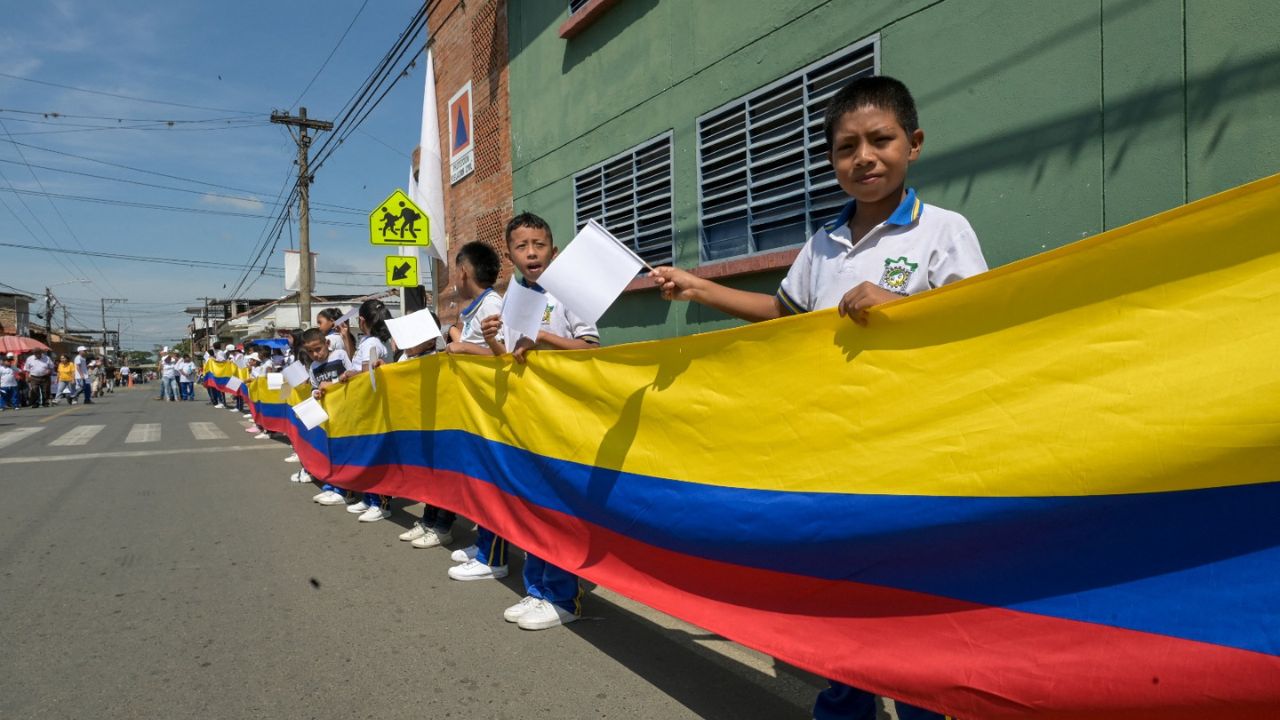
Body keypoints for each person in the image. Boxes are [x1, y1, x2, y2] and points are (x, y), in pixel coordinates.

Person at [650, 75, 985, 720]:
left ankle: (920, 706)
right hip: (833, 451)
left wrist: (906, 306)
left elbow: (976, 319)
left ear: (912, 144)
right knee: (843, 593)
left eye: (880, 140)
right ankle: (845, 703)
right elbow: (784, 311)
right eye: (845, 146)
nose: (864, 157)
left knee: (915, 598)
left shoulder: (943, 232)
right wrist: (699, 288)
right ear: (831, 161)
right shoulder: (821, 243)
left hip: (913, 452)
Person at [476, 212, 602, 631]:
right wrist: (495, 338)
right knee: (532, 506)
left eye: (539, 244)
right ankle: (538, 589)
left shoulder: (571, 295)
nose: (532, 252)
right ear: (510, 256)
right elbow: (508, 360)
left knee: (559, 508)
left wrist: (545, 338)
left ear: (554, 250)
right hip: (528, 420)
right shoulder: (514, 298)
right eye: (522, 246)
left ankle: (564, 597)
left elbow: (591, 351)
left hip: (565, 418)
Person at [434, 242, 505, 571]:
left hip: (489, 409)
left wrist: (460, 347)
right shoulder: (476, 307)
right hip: (474, 410)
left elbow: (501, 353)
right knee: (479, 482)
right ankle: (485, 546)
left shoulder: (492, 304)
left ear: (463, 272)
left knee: (490, 483)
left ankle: (494, 558)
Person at [340, 299, 395, 523]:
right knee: (368, 453)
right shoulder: (380, 340)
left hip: (371, 405)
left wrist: (348, 375)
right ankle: (370, 496)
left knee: (374, 455)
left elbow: (364, 374)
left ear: (361, 320)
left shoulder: (371, 341)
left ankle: (381, 503)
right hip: (374, 404)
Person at [302, 328, 357, 506]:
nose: (315, 354)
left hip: (345, 412)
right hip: (329, 416)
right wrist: (316, 392)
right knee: (332, 452)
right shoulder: (313, 367)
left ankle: (346, 491)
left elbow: (353, 377)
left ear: (327, 343)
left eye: (318, 349)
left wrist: (332, 384)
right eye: (310, 352)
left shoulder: (340, 355)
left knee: (345, 452)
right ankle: (334, 486)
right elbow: (314, 387)